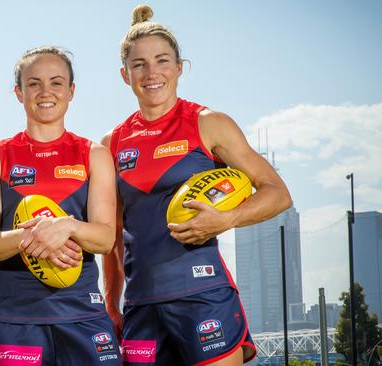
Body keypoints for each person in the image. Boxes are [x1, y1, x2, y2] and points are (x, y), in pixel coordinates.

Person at [102, 5, 293, 366]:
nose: (151, 73)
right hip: (141, 305)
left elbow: (277, 192)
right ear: (125, 75)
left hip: (204, 295)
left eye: (162, 61)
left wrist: (227, 219)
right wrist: (112, 302)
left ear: (179, 67)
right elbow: (112, 234)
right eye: (139, 64)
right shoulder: (111, 142)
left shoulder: (209, 124)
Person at [0, 46, 123, 365]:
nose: (45, 92)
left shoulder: (93, 154)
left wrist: (66, 226)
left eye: (56, 83)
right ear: (18, 92)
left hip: (83, 314)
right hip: (16, 319)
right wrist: (38, 235)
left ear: (71, 91)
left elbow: (105, 238)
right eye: (34, 83)